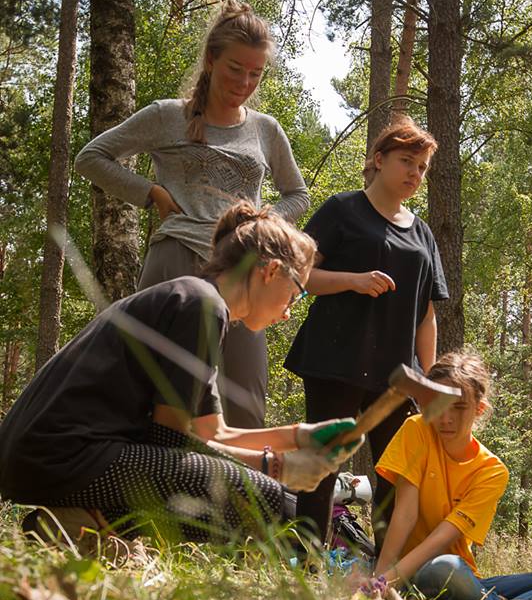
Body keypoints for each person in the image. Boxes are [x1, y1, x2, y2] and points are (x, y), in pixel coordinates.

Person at [0, 203, 361, 547]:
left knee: (264, 490)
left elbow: (213, 433)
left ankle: (79, 522)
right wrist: (277, 467)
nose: (288, 312)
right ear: (270, 271)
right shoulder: (202, 306)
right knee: (263, 499)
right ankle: (87, 525)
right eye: (296, 295)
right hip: (63, 458)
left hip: (45, 458)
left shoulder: (198, 299)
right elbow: (170, 443)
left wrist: (299, 436)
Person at [75, 0, 310, 430]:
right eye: (235, 68)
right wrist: (152, 194)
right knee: (152, 385)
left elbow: (298, 195)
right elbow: (91, 158)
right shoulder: (167, 116)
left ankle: (236, 476)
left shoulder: (265, 129)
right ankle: (138, 472)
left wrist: (265, 223)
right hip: (176, 257)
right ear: (211, 60)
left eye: (255, 73)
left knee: (244, 397)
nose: (244, 82)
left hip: (244, 270)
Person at [284, 117, 449, 551]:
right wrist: (353, 281)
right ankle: (306, 565)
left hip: (397, 379)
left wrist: (429, 379)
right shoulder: (342, 210)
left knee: (394, 477)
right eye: (407, 161)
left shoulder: (423, 233)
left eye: (422, 167)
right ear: (378, 159)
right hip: (335, 360)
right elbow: (298, 275)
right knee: (323, 465)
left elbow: (427, 314)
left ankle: (387, 574)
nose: (415, 173)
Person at [357, 351, 532, 600]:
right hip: (414, 574)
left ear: (479, 409)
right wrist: (383, 579)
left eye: (459, 407)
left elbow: (442, 539)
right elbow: (405, 514)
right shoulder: (416, 429)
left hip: (460, 578)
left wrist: (386, 580)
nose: (446, 418)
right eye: (438, 404)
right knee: (445, 567)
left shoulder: (491, 470)